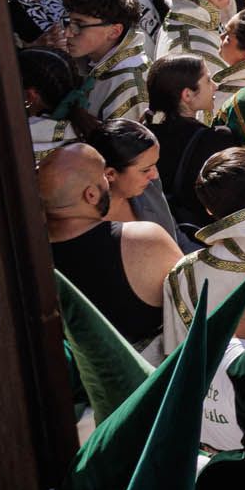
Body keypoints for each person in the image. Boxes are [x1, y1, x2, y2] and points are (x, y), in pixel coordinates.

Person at [41, 137, 181, 349]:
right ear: (91, 195)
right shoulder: (145, 240)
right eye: (103, 178)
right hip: (156, 378)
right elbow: (199, 311)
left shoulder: (27, 260)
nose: (109, 182)